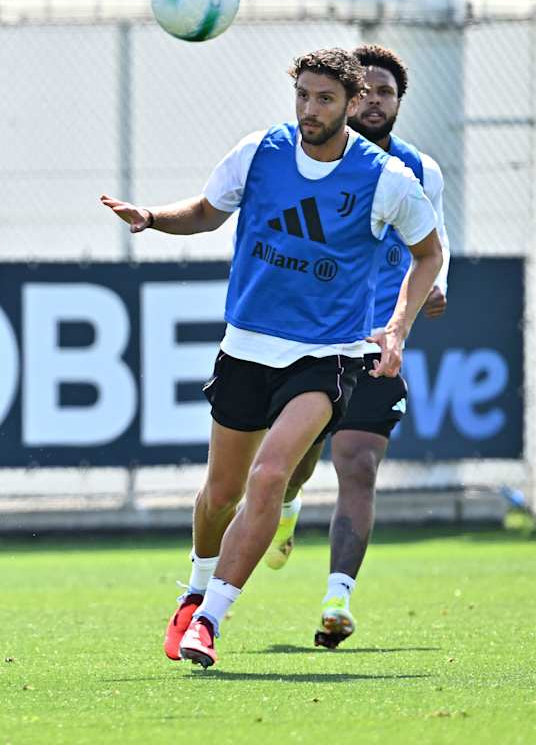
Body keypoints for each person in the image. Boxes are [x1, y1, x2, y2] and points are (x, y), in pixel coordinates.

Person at [101, 48, 443, 668]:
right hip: (247, 348)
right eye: (303, 96)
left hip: (327, 356)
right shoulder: (260, 152)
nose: (311, 109)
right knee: (220, 494)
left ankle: (210, 620)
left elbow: (429, 254)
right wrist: (151, 217)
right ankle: (195, 588)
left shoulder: (386, 178)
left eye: (325, 99)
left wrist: (396, 329)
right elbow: (206, 213)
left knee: (270, 477)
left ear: (350, 104)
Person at [263, 44, 450, 649]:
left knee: (359, 463)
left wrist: (432, 294)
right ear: (347, 99)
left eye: (386, 92)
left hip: (375, 346)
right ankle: (286, 508)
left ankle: (337, 599)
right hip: (315, 342)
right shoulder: (310, 161)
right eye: (364, 90)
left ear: (399, 102)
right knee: (294, 467)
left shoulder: (417, 170)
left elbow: (434, 247)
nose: (374, 101)